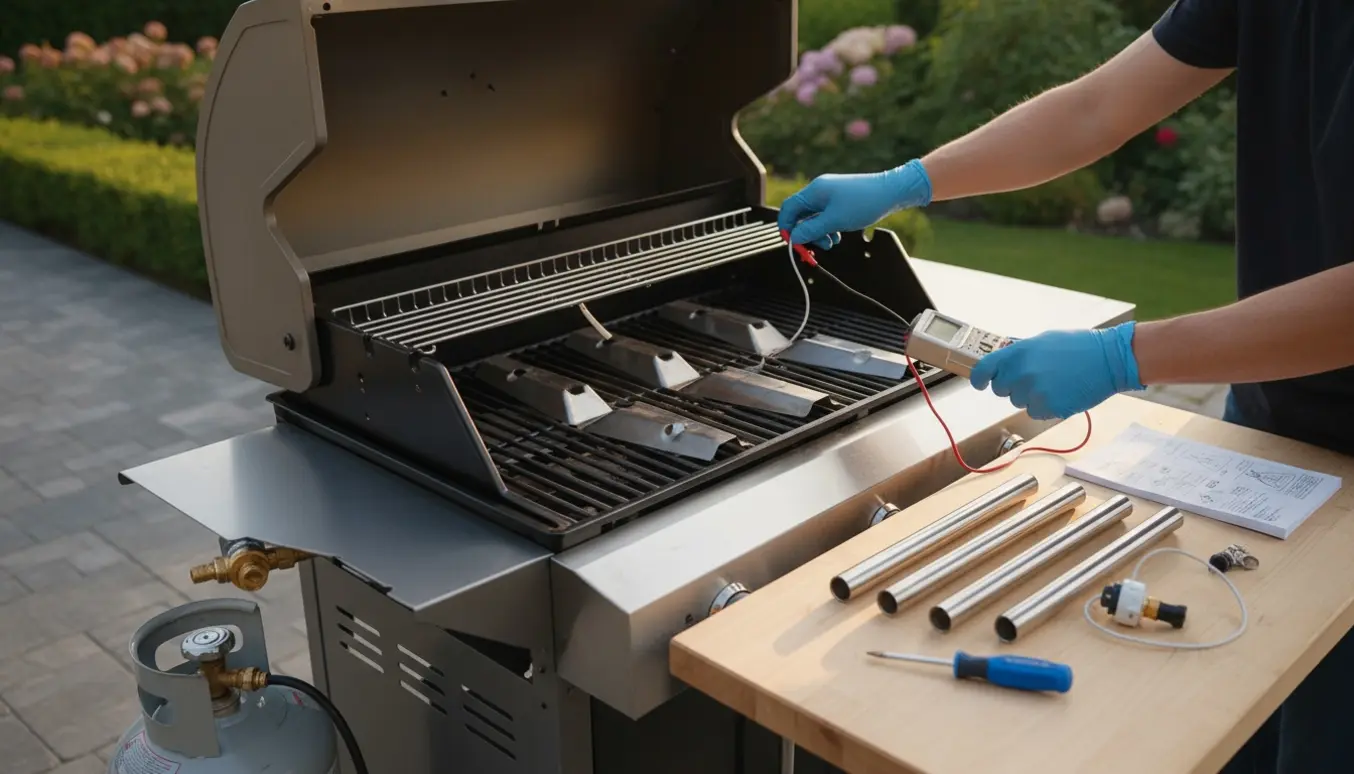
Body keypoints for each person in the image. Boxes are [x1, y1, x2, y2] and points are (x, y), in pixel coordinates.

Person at [777, 2, 1353, 772]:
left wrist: (1126, 356)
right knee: (1229, 722)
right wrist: (906, 182)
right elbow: (1095, 108)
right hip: (1270, 427)